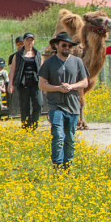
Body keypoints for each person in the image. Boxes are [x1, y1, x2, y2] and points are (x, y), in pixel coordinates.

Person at [38, 31, 89, 170]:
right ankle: (57, 166)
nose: (67, 48)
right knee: (58, 136)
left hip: (73, 106)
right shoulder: (49, 63)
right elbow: (41, 84)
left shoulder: (77, 62)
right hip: (55, 105)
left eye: (69, 46)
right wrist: (58, 88)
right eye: (64, 45)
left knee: (70, 138)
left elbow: (85, 82)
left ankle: (68, 166)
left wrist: (71, 86)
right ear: (57, 46)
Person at [8, 32, 43, 130]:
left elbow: (42, 69)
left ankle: (34, 125)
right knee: (25, 106)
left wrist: (45, 83)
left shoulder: (38, 54)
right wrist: (10, 84)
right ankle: (26, 128)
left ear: (34, 42)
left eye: (31, 40)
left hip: (36, 81)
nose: (29, 42)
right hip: (23, 82)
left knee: (39, 104)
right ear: (24, 41)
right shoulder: (18, 55)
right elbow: (13, 70)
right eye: (27, 40)